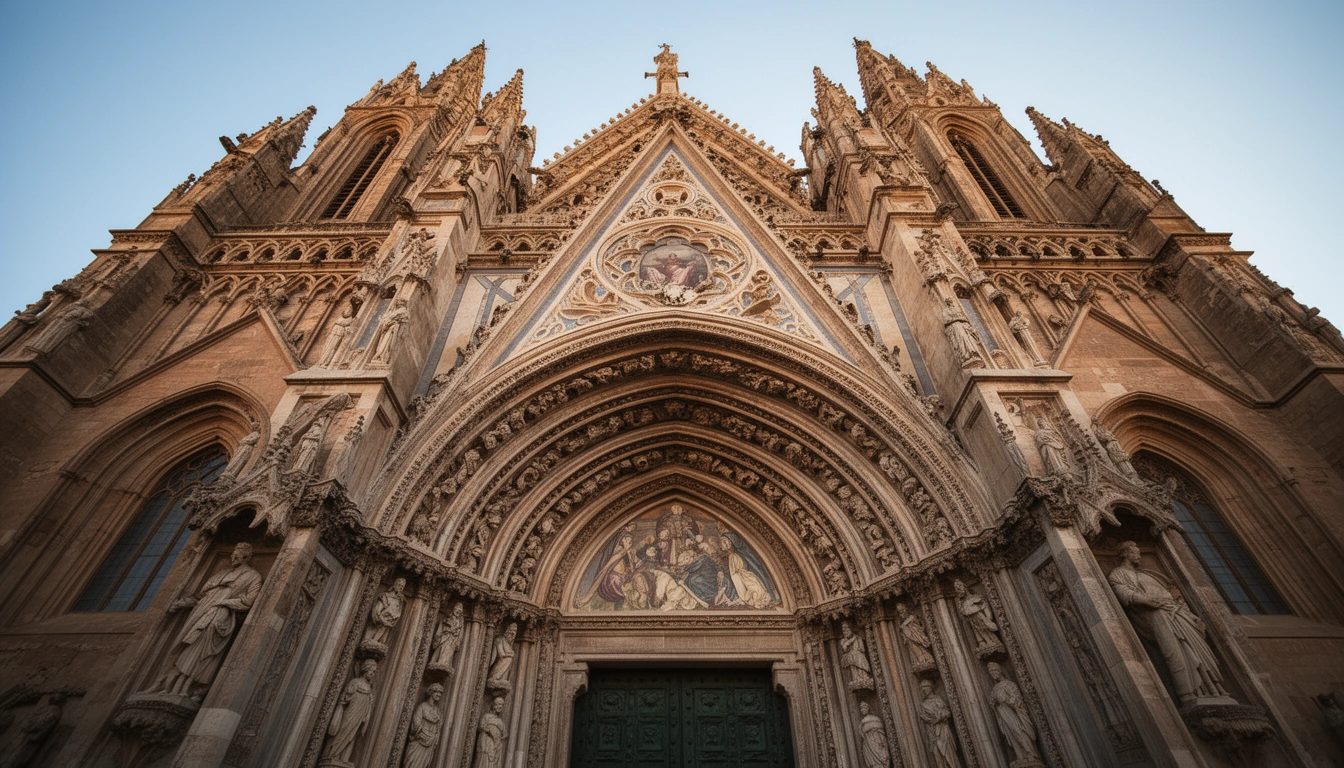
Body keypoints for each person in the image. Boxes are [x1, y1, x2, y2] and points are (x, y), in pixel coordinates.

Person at [1107, 541, 1228, 704]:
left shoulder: (1147, 574)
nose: (1138, 556)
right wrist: (1148, 601)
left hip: (1174, 613)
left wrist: (1181, 608)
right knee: (1173, 651)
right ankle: (1187, 693)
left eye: (1138, 552)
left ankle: (1212, 690)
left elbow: (1170, 594)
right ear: (1125, 554)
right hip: (1156, 616)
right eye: (1135, 553)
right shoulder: (1118, 574)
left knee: (1194, 649)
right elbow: (1123, 593)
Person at [151, 542, 262, 697]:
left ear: (246, 557)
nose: (233, 558)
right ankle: (163, 683)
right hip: (201, 610)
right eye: (232, 555)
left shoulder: (253, 576)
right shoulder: (221, 573)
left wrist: (223, 602)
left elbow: (248, 601)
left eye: (237, 556)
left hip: (220, 613)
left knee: (200, 648)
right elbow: (202, 596)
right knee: (182, 644)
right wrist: (183, 603)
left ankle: (184, 688)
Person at [323, 659, 378, 765]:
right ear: (365, 670)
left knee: (351, 736)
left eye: (374, 672)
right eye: (371, 671)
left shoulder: (369, 688)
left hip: (359, 715)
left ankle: (343, 758)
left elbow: (368, 703)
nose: (372, 674)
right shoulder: (355, 682)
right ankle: (330, 755)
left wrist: (366, 715)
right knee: (343, 731)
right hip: (350, 713)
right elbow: (344, 698)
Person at [987, 662, 1041, 765]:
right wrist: (995, 702)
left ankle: (1031, 754)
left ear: (999, 671)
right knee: (1011, 735)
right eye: (991, 673)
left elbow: (1016, 700)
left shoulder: (1009, 684)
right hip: (1003, 714)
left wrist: (1006, 700)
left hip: (1012, 713)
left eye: (994, 671)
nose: (993, 674)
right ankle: (1020, 756)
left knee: (1019, 731)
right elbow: (992, 702)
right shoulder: (995, 688)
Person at [402, 684, 444, 768]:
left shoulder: (437, 711)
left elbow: (438, 729)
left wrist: (433, 736)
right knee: (412, 762)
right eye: (437, 692)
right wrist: (423, 734)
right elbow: (416, 724)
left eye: (440, 693)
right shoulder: (422, 707)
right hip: (419, 741)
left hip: (430, 744)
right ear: (431, 692)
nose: (439, 694)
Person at [471, 697, 507, 768]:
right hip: (487, 742)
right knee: (485, 757)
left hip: (497, 745)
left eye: (502, 705)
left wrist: (501, 738)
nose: (500, 707)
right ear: (494, 705)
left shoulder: (500, 721)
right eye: (499, 704)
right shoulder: (486, 716)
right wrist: (488, 731)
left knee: (493, 760)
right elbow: (481, 727)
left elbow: (504, 734)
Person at [858, 701, 890, 767]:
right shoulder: (861, 723)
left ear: (868, 709)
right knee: (872, 761)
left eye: (865, 708)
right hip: (868, 743)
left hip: (877, 740)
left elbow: (880, 729)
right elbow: (861, 733)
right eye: (861, 709)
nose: (863, 710)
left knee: (883, 756)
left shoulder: (875, 718)